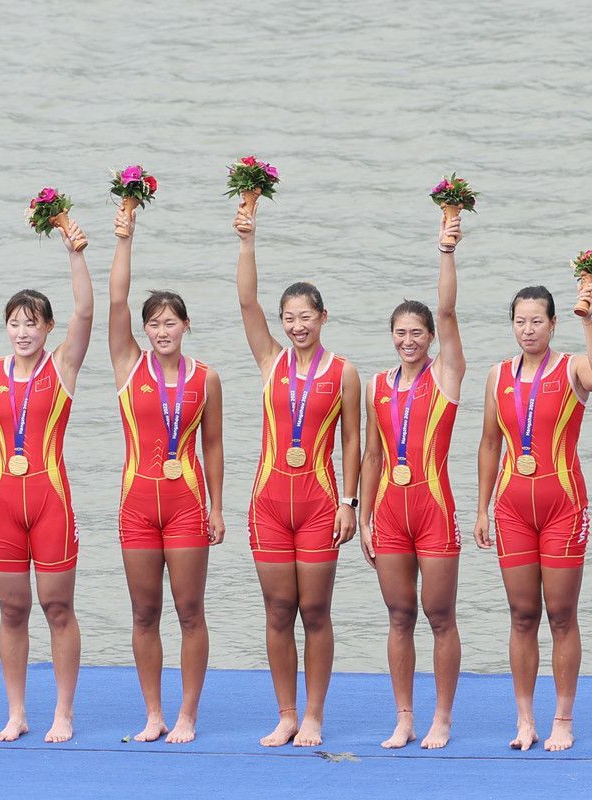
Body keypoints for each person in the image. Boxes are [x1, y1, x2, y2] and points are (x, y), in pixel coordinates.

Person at [234, 200, 361, 747]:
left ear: (322, 318)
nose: (296, 326)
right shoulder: (270, 361)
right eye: (289, 318)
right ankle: (285, 713)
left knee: (315, 609)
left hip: (319, 500)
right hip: (268, 501)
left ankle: (313, 714)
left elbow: (355, 439)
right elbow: (245, 301)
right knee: (278, 609)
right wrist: (247, 238)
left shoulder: (344, 372)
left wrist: (349, 502)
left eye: (305, 317)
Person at [0, 215, 94, 744]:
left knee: (57, 607)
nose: (22, 333)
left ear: (47, 330)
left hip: (50, 500)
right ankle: (16, 711)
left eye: (32, 324)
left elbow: (86, 310)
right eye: (14, 324)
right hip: (2, 505)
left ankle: (63, 711)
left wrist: (74, 252)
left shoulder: (61, 367)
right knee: (12, 610)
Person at [474, 282, 592, 751]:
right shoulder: (497, 375)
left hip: (563, 507)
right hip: (511, 509)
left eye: (537, 321)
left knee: (560, 615)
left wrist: (587, 318)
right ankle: (525, 719)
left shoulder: (571, 367)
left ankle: (563, 718)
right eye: (520, 321)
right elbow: (490, 444)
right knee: (521, 615)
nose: (528, 329)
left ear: (552, 323)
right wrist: (481, 508)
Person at [107, 207, 226, 744]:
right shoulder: (129, 365)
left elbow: (215, 445)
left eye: (170, 322)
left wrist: (217, 507)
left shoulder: (208, 378)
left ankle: (189, 714)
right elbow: (114, 301)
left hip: (187, 502)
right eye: (152, 323)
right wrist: (124, 238)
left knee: (190, 609)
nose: (161, 331)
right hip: (137, 502)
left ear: (186, 325)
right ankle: (153, 713)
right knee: (143, 611)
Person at [359, 215, 465, 749]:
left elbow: (447, 312)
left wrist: (445, 249)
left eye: (416, 333)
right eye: (400, 333)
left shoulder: (445, 375)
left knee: (439, 616)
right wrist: (363, 517)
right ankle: (404, 716)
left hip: (434, 509)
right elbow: (373, 454)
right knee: (399, 616)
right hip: (390, 514)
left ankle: (441, 717)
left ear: (429, 338)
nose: (408, 341)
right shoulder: (376, 384)